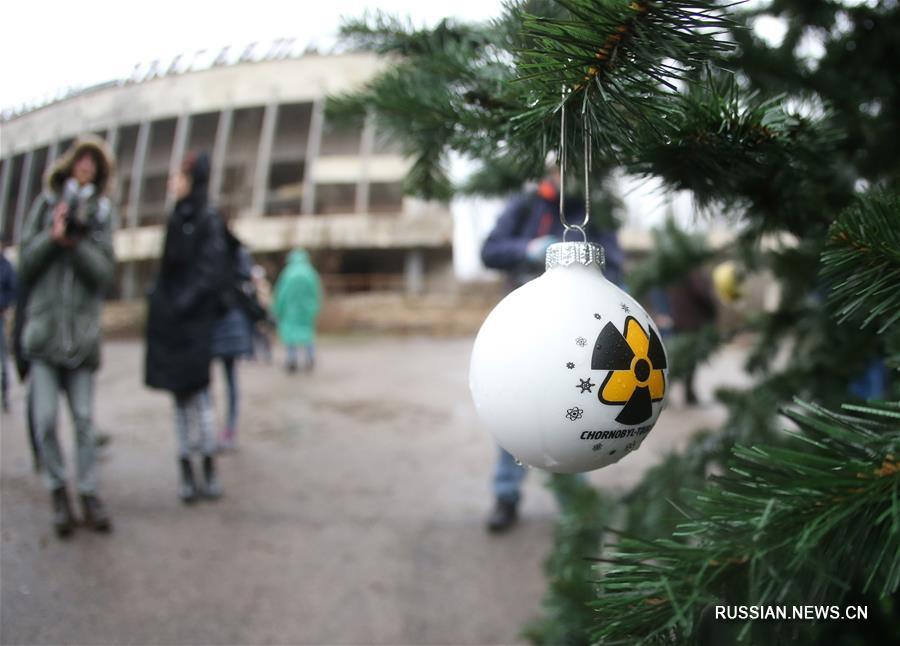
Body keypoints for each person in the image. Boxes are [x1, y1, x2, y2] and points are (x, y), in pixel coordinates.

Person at [480, 164, 623, 533]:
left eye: (575, 167)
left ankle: (574, 504)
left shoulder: (591, 211)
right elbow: (490, 250)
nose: (567, 174)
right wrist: (528, 249)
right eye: (560, 167)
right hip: (522, 330)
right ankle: (506, 495)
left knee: (574, 411)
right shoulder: (526, 206)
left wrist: (584, 266)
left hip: (577, 335)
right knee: (515, 409)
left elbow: (617, 264)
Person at [18, 136, 116, 538]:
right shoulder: (44, 205)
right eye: (82, 161)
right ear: (71, 165)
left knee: (83, 420)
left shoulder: (102, 213)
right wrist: (51, 238)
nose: (86, 168)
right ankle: (59, 490)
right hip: (44, 336)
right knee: (43, 421)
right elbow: (24, 264)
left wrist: (75, 246)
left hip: (81, 338)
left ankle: (89, 493)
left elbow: (105, 274)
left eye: (94, 164)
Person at [145, 152, 226, 504]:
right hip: (171, 325)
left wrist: (182, 305)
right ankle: (186, 471)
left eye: (177, 176)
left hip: (193, 325)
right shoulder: (176, 218)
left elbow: (210, 271)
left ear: (191, 179)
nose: (171, 183)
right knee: (179, 402)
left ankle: (208, 467)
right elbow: (166, 272)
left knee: (201, 400)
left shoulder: (206, 218)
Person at [211, 226, 254, 450]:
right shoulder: (239, 254)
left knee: (215, 382)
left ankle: (220, 429)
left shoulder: (213, 251)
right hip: (229, 323)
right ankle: (226, 429)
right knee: (228, 381)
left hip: (216, 323)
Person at [666, 267, 718, 405]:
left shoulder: (677, 272)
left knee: (682, 359)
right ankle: (683, 395)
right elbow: (702, 293)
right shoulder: (694, 271)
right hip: (691, 322)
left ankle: (685, 394)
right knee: (687, 361)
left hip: (680, 320)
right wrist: (713, 304)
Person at [274, 250, 321, 373]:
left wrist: (277, 309)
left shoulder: (288, 273)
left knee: (290, 336)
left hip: (291, 311)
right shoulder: (310, 273)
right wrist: (315, 308)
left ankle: (291, 360)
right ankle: (310, 358)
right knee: (307, 334)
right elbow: (316, 292)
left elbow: (281, 294)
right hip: (307, 311)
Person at [0, 239, 16, 413]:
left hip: (0, 318)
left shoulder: (7, 267)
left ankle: (4, 396)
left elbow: (13, 290)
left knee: (3, 360)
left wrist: (3, 305)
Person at [250, 264, 274, 363]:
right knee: (256, 335)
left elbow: (267, 301)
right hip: (256, 314)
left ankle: (266, 355)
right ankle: (255, 354)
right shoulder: (250, 287)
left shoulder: (263, 286)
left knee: (264, 335)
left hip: (264, 314)